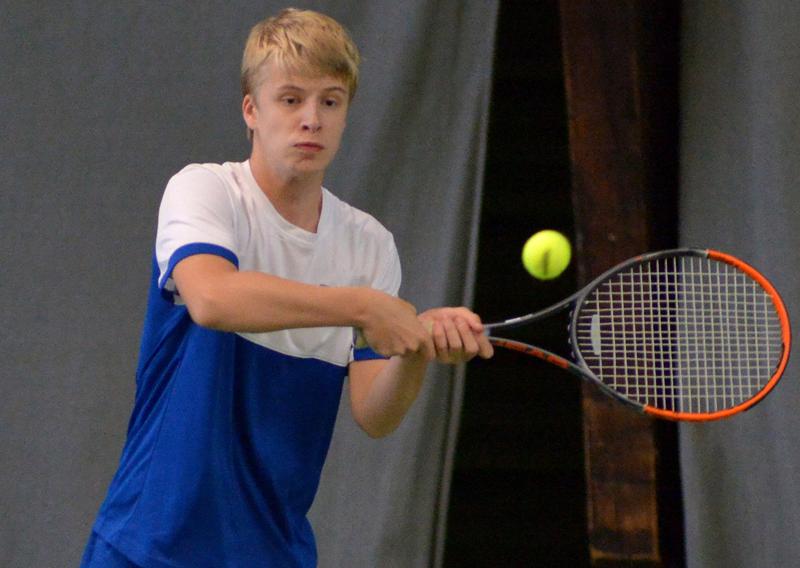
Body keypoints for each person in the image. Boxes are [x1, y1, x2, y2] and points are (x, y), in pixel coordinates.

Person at [81, 8, 493, 567]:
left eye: (330, 101)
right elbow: (212, 299)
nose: (311, 120)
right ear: (252, 110)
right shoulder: (204, 191)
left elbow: (376, 413)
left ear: (346, 114)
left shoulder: (369, 246)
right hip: (146, 547)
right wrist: (362, 306)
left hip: (274, 553)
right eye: (291, 99)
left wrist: (416, 350)